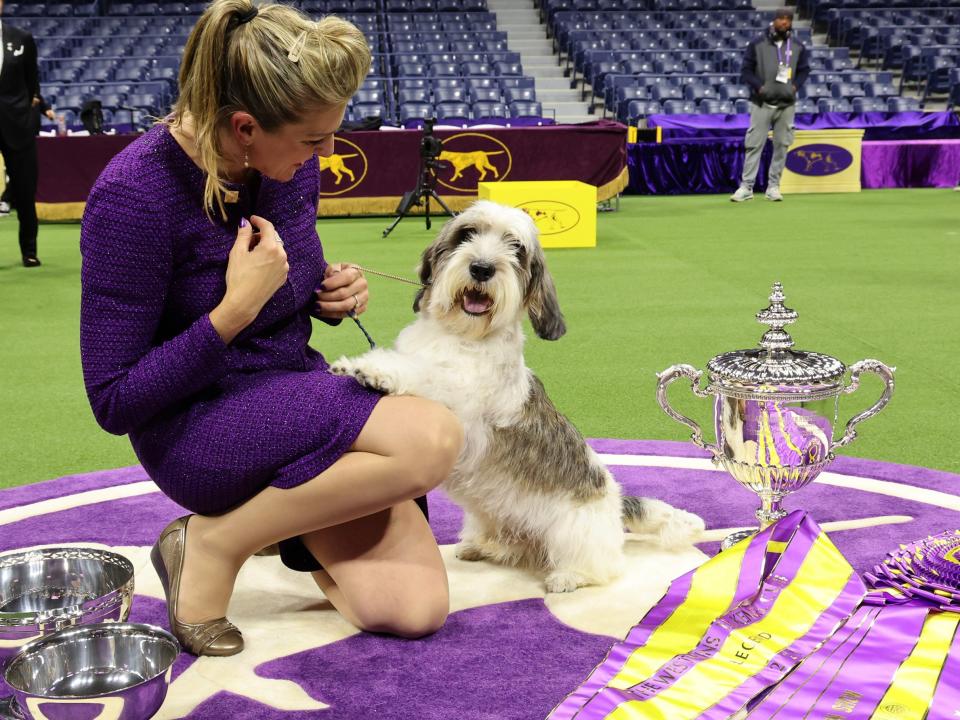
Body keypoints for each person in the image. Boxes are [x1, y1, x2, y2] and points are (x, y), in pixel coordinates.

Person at [79, 0, 463, 658]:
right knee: (431, 437)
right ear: (245, 126)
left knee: (412, 610)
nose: (328, 153)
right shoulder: (131, 196)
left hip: (292, 399)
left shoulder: (287, 164)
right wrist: (231, 314)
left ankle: (241, 528)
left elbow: (286, 280)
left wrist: (325, 295)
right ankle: (215, 542)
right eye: (314, 140)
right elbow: (115, 400)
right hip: (197, 429)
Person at [730, 7, 810, 203]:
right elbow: (746, 70)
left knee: (782, 145)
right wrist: (759, 87)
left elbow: (804, 70)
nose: (784, 22)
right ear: (773, 21)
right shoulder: (757, 44)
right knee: (754, 144)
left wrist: (795, 86)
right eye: (781, 18)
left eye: (788, 19)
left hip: (787, 104)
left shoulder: (798, 46)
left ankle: (773, 186)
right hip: (762, 103)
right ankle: (746, 186)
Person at [0, 0, 47, 265]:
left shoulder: (22, 39)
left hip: (17, 126)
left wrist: (27, 119)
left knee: (25, 191)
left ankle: (29, 251)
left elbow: (33, 86)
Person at [0, 93, 54, 216]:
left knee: (27, 173)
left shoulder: (37, 95)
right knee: (17, 172)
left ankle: (17, 202)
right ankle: (5, 200)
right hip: (17, 139)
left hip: (34, 138)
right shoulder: (14, 96)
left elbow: (47, 111)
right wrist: (26, 103)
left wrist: (49, 112)